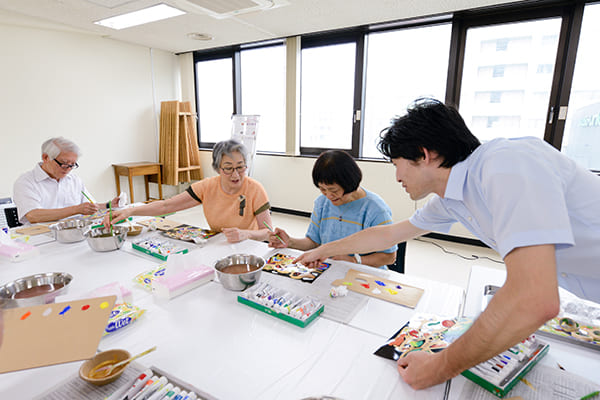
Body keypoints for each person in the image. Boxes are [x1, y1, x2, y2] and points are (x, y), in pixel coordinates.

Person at [295, 98, 600, 390]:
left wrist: (439, 366)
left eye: (396, 164)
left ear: (424, 154)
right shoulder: (453, 197)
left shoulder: (507, 164)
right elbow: (388, 235)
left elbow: (533, 299)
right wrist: (322, 250)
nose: (398, 176)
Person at [104, 139, 272, 243]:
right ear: (217, 168)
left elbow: (268, 232)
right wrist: (129, 211)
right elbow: (166, 207)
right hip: (218, 243)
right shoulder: (207, 187)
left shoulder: (255, 189)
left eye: (240, 167)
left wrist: (246, 234)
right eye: (228, 168)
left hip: (249, 246)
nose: (236, 174)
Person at [268, 150, 396, 268]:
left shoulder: (376, 210)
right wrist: (290, 242)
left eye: (334, 190)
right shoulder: (322, 203)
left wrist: (354, 260)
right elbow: (313, 242)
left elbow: (389, 257)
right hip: (331, 270)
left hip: (364, 276)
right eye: (323, 189)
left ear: (350, 184)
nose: (328, 196)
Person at [13, 137, 120, 224]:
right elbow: (33, 215)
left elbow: (87, 206)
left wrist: (108, 205)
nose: (68, 169)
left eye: (72, 165)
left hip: (74, 232)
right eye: (64, 164)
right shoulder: (26, 181)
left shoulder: (73, 180)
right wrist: (75, 209)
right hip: (41, 236)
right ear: (46, 158)